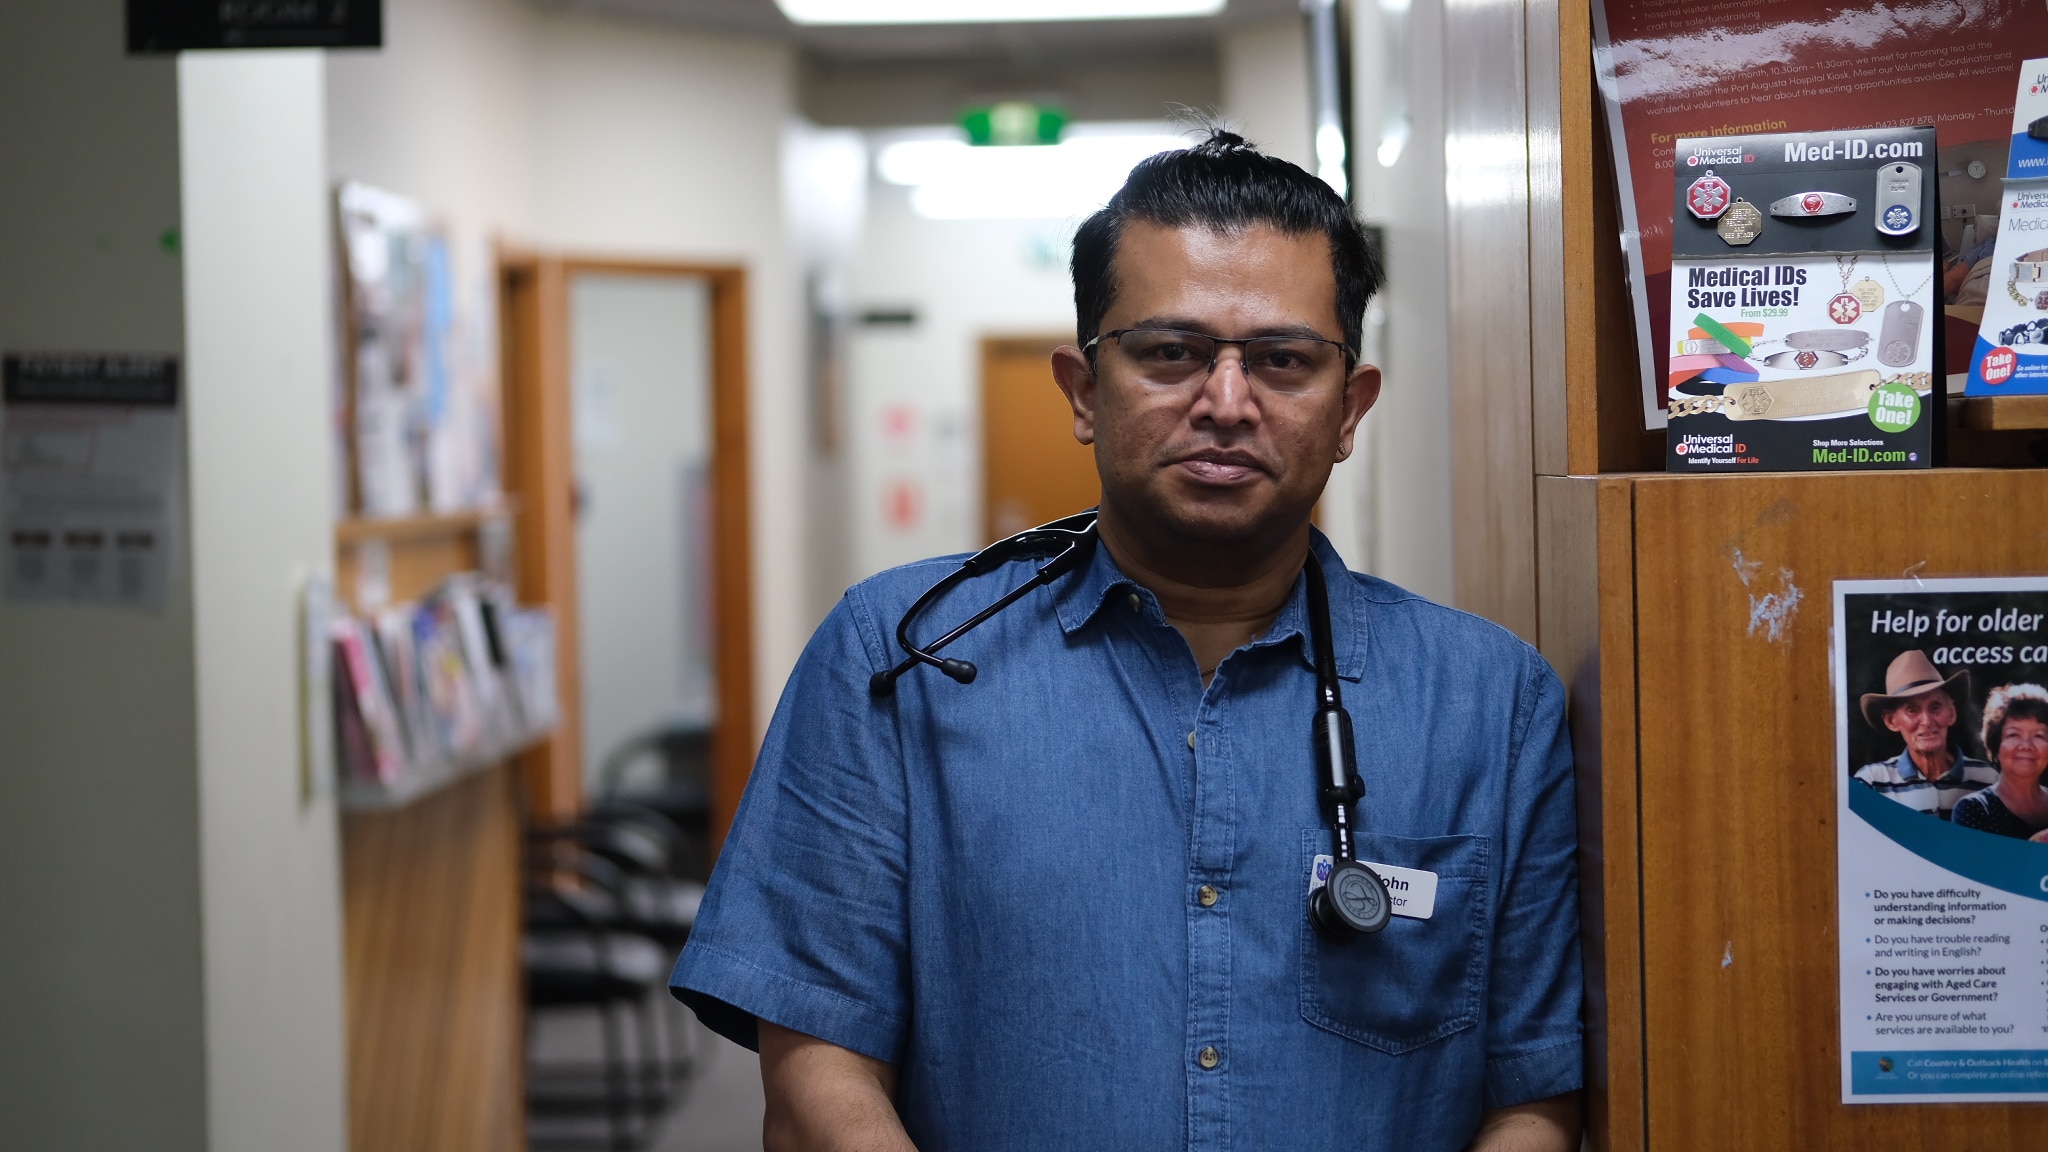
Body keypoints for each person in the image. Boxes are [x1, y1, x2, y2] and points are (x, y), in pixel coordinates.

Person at [669, 128, 1583, 1152]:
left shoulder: (1487, 703)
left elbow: (1536, 1096)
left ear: (1348, 408)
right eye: (1169, 354)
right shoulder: (898, 659)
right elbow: (814, 1081)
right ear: (1081, 391)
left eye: (1282, 360)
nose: (1225, 404)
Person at [1854, 649, 1996, 818]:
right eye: (1912, 710)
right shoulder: (1871, 783)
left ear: (1951, 712)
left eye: (1935, 707)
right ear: (1891, 721)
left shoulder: (1987, 780)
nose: (1927, 721)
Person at [1950, 684, 2048, 839]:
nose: (2026, 746)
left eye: (2039, 735)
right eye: (2014, 735)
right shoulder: (1974, 809)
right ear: (1996, 744)